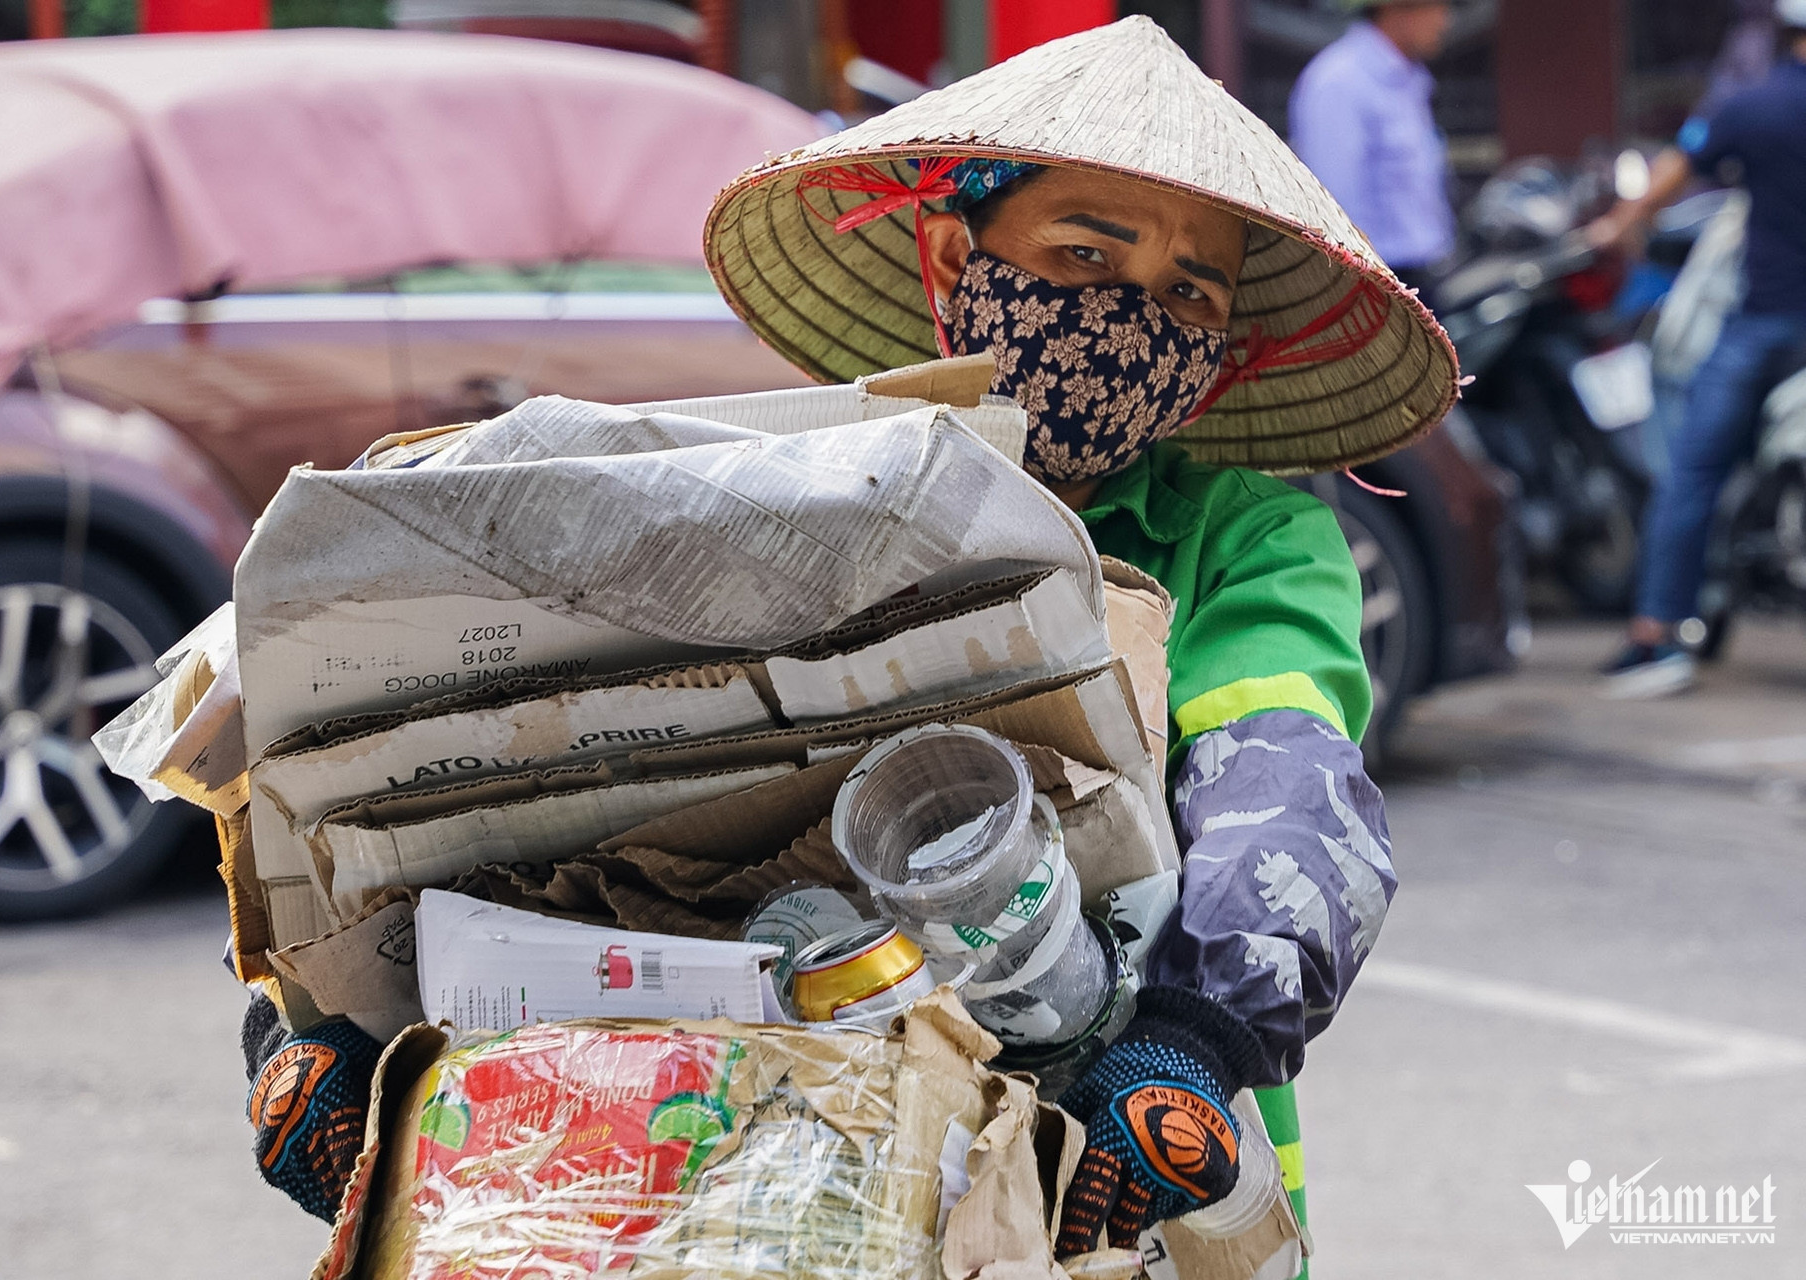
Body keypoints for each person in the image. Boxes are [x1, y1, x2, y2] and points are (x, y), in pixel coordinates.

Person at [242, 17, 1460, 1260]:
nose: (1129, 315)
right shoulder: (809, 492)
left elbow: (1287, 793)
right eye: (1086, 252)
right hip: (804, 1175)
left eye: (1187, 292)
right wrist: (315, 1030)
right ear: (955, 255)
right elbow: (550, 801)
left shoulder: (1252, 541)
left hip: (1138, 1172)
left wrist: (1192, 1042)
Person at [1589, 0, 1806, 697]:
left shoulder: (1754, 106)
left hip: (1764, 328)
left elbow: (1674, 173)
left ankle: (1655, 636)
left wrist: (1618, 225)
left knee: (1691, 474)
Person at [1287, 1, 1456, 298]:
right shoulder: (1339, 81)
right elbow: (1335, 209)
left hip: (1423, 275)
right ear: (1398, 9)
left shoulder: (1409, 78)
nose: (1445, 22)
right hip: (1372, 285)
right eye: (1437, 8)